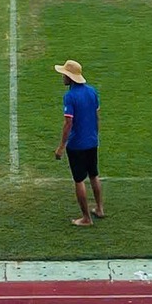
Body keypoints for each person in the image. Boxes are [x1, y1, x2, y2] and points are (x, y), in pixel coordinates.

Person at [52, 58, 103, 226]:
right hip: (92, 141)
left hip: (77, 145)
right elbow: (97, 117)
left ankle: (86, 218)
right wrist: (95, 135)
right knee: (94, 175)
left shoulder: (70, 96)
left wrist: (61, 147)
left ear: (70, 78)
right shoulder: (92, 91)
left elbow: (68, 123)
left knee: (79, 180)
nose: (62, 77)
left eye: (64, 74)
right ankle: (99, 209)